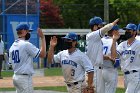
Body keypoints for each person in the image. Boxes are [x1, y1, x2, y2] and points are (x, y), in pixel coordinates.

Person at [9, 23, 46, 93]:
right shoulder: (26, 44)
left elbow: (10, 64)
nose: (29, 33)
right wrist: (42, 38)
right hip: (24, 78)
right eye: (28, 31)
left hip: (16, 77)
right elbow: (43, 54)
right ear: (24, 31)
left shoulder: (12, 46)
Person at [86, 16, 119, 93]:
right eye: (100, 25)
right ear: (94, 26)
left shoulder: (96, 39)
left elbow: (96, 54)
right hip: (95, 69)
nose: (102, 27)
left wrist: (107, 57)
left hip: (97, 69)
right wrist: (113, 24)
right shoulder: (93, 35)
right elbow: (105, 29)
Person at [111, 23, 140, 93]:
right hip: (125, 76)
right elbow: (114, 56)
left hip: (135, 75)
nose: (127, 32)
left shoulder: (138, 44)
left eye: (129, 30)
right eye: (126, 30)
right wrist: (114, 41)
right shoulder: (122, 44)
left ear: (134, 32)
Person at [101, 25, 119, 93]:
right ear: (114, 31)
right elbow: (114, 57)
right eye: (117, 31)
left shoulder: (101, 40)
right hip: (110, 70)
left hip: (101, 70)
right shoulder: (113, 42)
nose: (118, 32)